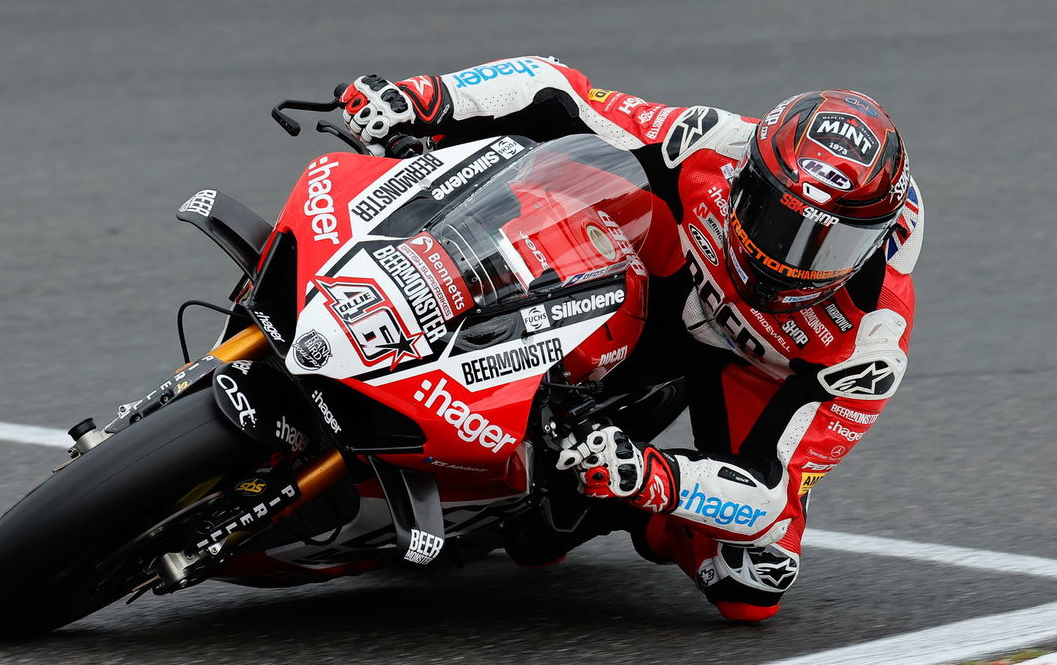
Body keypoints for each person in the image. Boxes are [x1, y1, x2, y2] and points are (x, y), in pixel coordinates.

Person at [336, 58, 922, 622]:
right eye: (777, 219)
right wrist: (423, 98)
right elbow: (561, 93)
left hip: (751, 377)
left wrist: (649, 478)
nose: (788, 261)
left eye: (829, 247)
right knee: (567, 179)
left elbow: (769, 492)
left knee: (753, 576)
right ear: (748, 177)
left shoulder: (872, 341)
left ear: (876, 242)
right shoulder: (713, 144)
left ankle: (596, 501)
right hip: (664, 279)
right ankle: (435, 296)